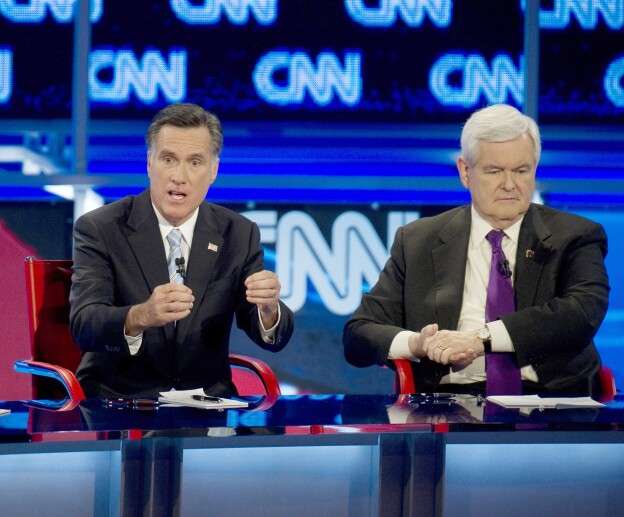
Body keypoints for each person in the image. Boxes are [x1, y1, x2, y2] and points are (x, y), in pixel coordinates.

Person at [343, 104, 610, 396]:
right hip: (446, 407)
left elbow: (582, 314)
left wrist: (481, 338)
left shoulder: (576, 236)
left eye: (521, 170)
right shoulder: (418, 240)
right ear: (465, 172)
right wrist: (416, 344)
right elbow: (359, 333)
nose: (510, 185)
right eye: (494, 171)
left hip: (552, 403)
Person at [69, 102, 295, 398]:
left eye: (195, 162)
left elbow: (270, 336)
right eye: (168, 159)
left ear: (213, 171)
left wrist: (268, 309)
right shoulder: (101, 228)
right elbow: (84, 324)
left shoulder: (237, 233)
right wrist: (141, 315)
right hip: (119, 402)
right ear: (150, 163)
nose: (179, 176)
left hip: (207, 408)